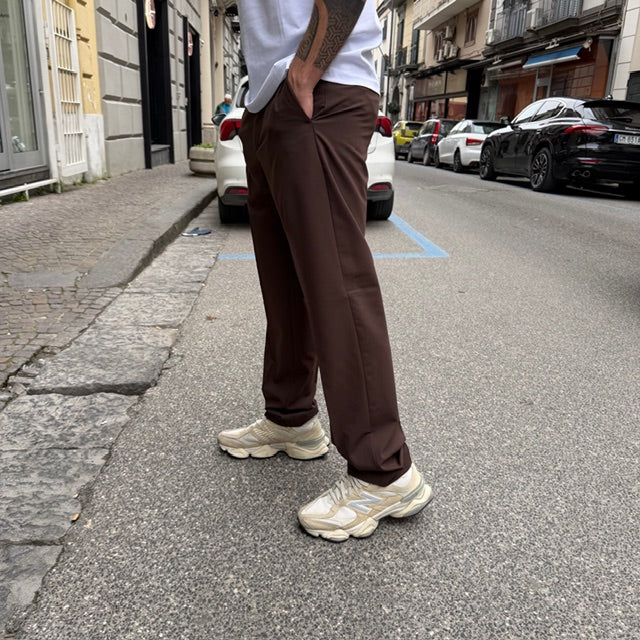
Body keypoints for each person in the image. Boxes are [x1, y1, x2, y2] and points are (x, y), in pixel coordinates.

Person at [217, 0, 432, 542]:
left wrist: (304, 72)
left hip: (320, 87)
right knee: (286, 278)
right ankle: (290, 417)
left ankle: (384, 469)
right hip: (270, 100)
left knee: (337, 281)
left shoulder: (312, 80)